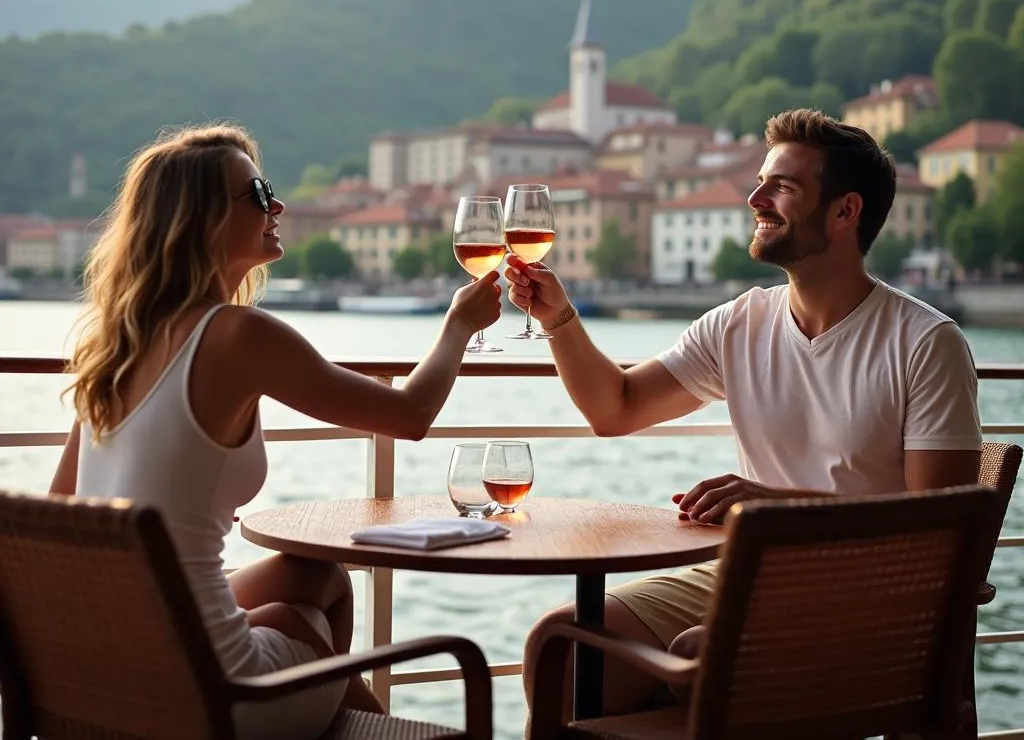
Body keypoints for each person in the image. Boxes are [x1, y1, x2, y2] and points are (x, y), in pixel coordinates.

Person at [505, 108, 982, 718]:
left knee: (702, 655)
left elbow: (940, 530)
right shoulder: (739, 323)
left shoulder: (924, 341)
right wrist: (558, 318)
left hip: (871, 595)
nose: (755, 197)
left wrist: (773, 504)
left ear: (845, 211)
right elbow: (615, 408)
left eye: (782, 186)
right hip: (749, 575)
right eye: (761, 181)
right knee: (562, 647)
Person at [49, 124, 502, 740]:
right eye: (258, 194)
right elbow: (409, 416)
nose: (278, 205)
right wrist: (457, 325)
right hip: (212, 701)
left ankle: (357, 726)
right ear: (203, 220)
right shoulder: (237, 335)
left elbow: (58, 515)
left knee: (315, 579)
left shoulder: (115, 349)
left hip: (118, 671)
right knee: (298, 616)